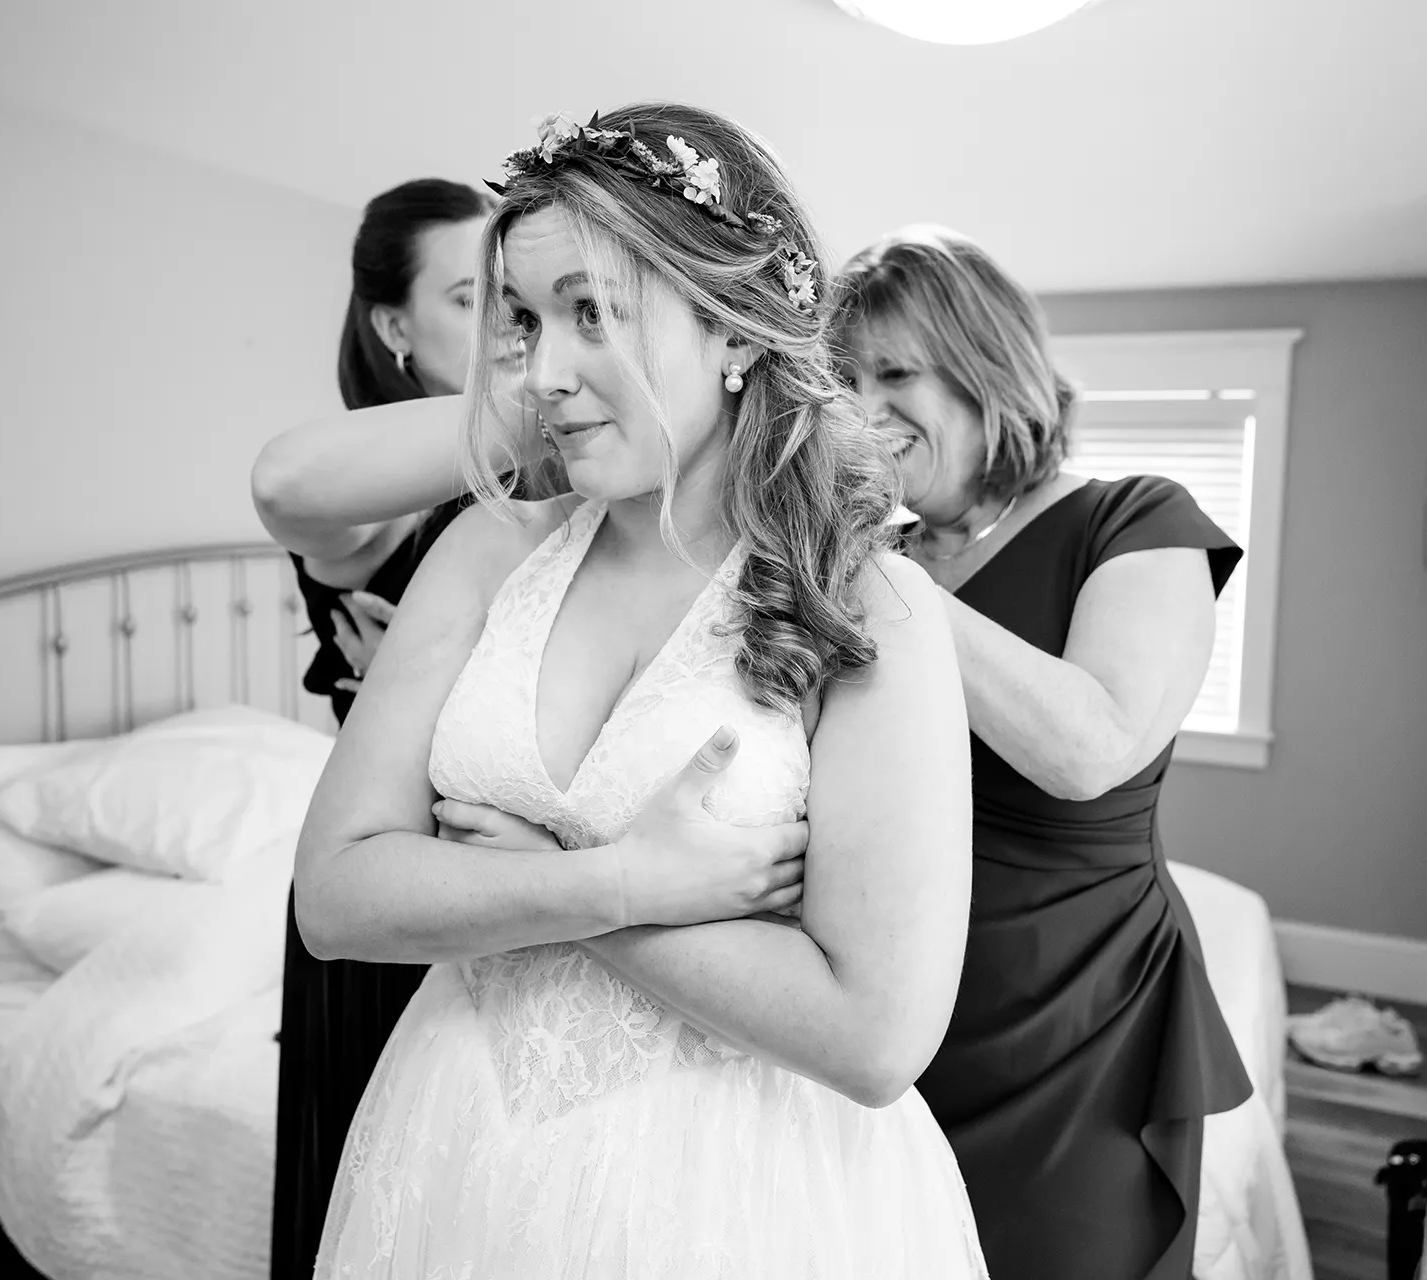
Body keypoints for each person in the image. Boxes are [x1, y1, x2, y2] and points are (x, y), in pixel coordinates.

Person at [276, 103, 986, 1277]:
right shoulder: (487, 550)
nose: (542, 374)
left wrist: (531, 877)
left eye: (595, 314)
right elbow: (335, 893)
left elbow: (874, 1035)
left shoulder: (870, 610)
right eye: (523, 318)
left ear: (735, 333)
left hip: (742, 1196)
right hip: (459, 1144)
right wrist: (616, 878)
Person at [830, 226, 1251, 1280]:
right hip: (891, 1010)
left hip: (1076, 1021)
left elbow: (1093, 746)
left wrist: (883, 584)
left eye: (894, 372)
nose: (862, 407)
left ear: (987, 372)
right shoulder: (869, 561)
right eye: (841, 379)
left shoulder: (1136, 518)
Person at [258, 176, 494, 1280]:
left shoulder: (551, 481)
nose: (507, 319)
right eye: (472, 295)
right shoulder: (388, 496)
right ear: (396, 327)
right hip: (399, 894)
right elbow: (286, 479)